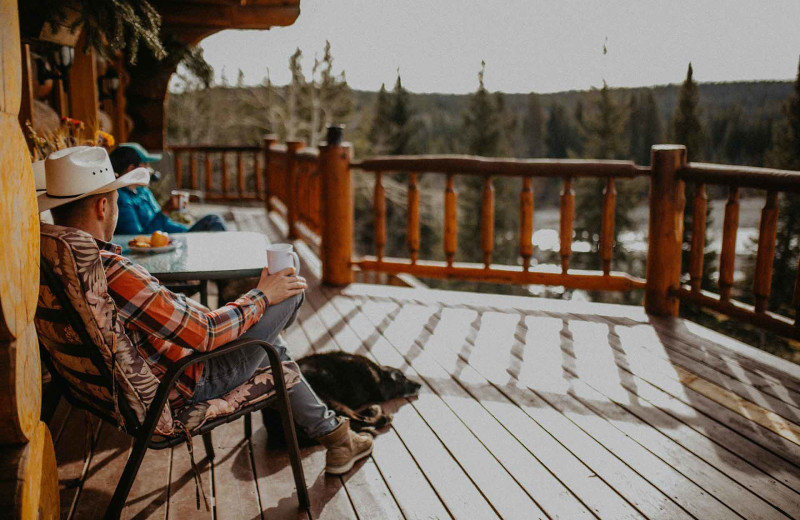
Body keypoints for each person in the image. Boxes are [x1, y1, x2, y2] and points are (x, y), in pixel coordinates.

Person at [38, 146, 372, 475]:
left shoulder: (57, 262)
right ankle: (338, 438)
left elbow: (183, 322)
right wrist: (262, 295)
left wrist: (250, 308)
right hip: (189, 380)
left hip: (136, 381)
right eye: (115, 199)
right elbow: (206, 334)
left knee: (270, 343)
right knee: (289, 292)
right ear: (102, 205)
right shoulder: (113, 271)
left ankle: (339, 438)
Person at [110, 143, 228, 235]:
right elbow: (136, 239)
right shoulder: (121, 199)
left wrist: (188, 231)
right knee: (213, 221)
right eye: (146, 164)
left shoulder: (143, 192)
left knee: (213, 221)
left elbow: (164, 224)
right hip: (147, 250)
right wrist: (165, 211)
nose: (150, 169)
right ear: (131, 169)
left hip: (166, 241)